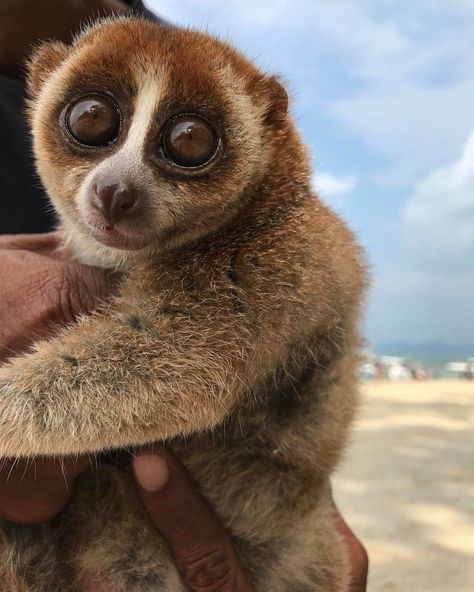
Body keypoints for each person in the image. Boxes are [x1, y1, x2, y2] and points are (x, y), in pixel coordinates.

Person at [0, 2, 368, 590]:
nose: (119, 184)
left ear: (266, 134)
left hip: (227, 533)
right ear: (43, 85)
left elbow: (173, 372)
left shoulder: (274, 236)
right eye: (91, 122)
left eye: (188, 144)